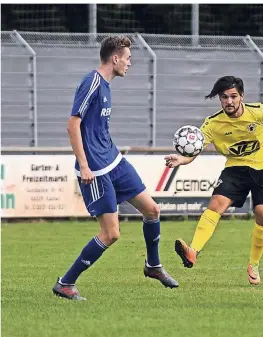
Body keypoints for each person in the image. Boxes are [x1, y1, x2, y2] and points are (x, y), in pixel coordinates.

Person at [52, 35, 178, 301]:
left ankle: (153, 266)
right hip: (95, 169)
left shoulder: (107, 85)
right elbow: (72, 124)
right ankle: (66, 283)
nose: (130, 64)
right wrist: (84, 166)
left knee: (152, 210)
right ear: (115, 57)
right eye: (128, 58)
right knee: (111, 234)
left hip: (113, 160)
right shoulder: (92, 82)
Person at [165, 76, 263, 285]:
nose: (229, 101)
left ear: (242, 97)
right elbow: (197, 147)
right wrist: (182, 159)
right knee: (216, 205)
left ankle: (254, 264)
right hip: (235, 167)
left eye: (233, 96)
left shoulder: (258, 112)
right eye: (224, 97)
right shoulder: (213, 123)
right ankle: (193, 251)